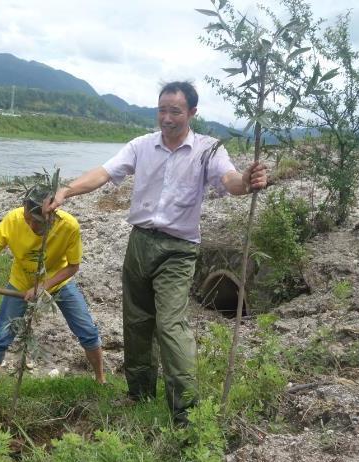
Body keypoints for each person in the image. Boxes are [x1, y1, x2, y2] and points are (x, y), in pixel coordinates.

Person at [45, 81, 267, 421]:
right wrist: (66, 191)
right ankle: (139, 392)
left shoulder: (208, 149)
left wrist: (248, 180)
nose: (166, 117)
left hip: (178, 249)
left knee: (170, 324)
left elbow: (230, 181)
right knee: (136, 321)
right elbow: (104, 173)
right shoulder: (141, 146)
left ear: (192, 113)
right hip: (139, 242)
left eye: (175, 111)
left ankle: (185, 411)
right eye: (162, 109)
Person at [0, 189, 106, 393]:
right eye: (28, 219)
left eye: (38, 221)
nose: (31, 225)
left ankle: (101, 380)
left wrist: (42, 287)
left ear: (52, 214)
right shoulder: (14, 219)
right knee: (1, 336)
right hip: (21, 283)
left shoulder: (69, 226)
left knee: (87, 331)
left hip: (57, 283)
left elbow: (73, 266)